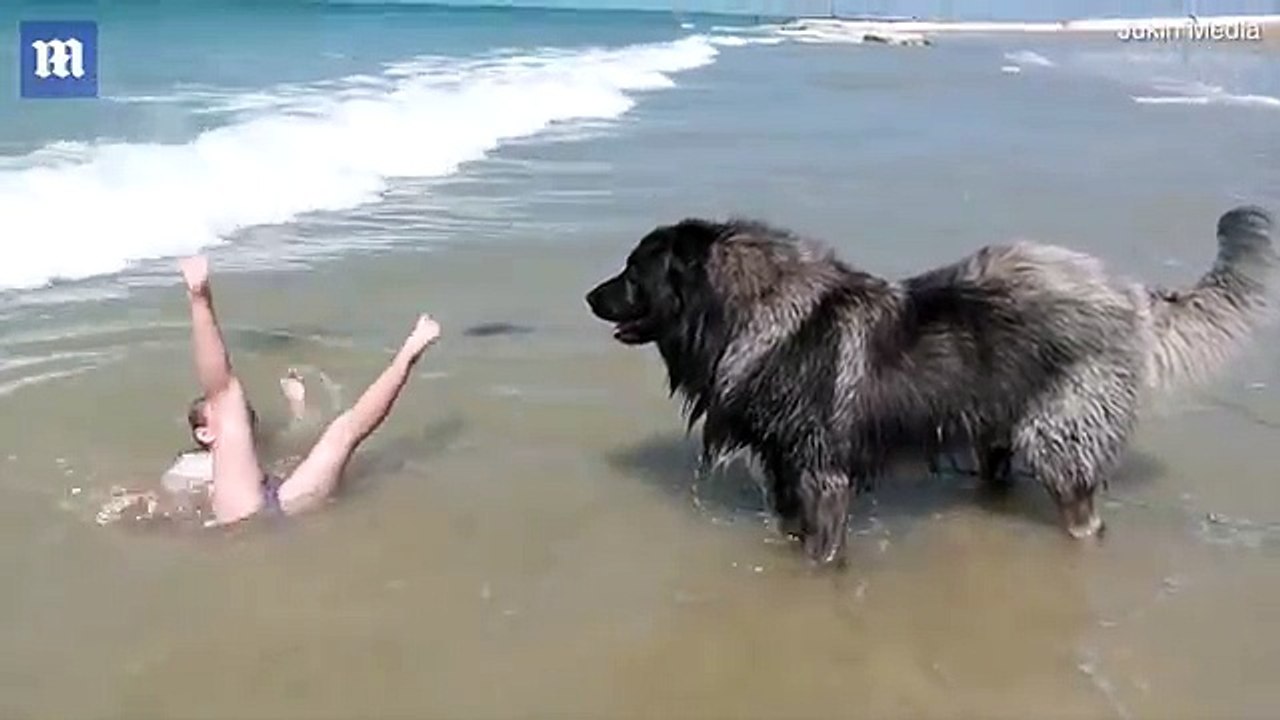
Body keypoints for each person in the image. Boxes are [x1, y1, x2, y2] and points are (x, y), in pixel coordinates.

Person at [174, 254, 441, 525]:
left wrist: (297, 408)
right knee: (341, 432)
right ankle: (200, 299)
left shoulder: (254, 448)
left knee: (344, 431)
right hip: (255, 508)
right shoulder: (189, 466)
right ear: (204, 433)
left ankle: (408, 354)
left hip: (277, 498)